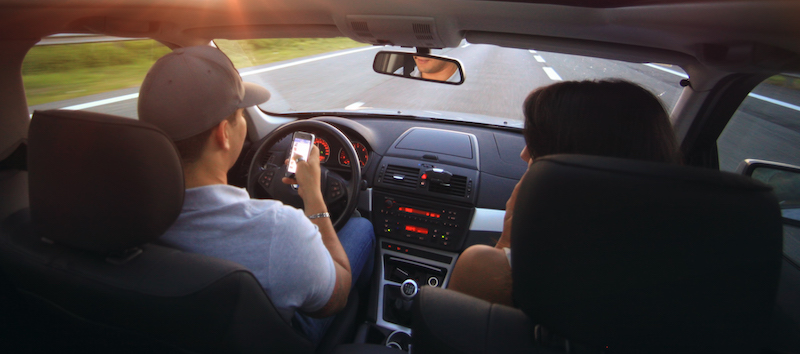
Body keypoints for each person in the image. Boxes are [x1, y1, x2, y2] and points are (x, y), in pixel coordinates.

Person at [137, 45, 375, 344]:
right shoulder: (278, 229)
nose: (245, 123)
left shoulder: (118, 213)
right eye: (241, 116)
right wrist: (314, 195)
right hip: (275, 336)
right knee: (361, 227)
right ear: (223, 134)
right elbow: (336, 297)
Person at [447, 79, 681, 306]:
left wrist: (509, 243)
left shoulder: (491, 269)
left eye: (538, 145)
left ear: (580, 159)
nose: (524, 154)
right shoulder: (681, 255)